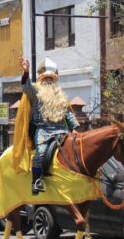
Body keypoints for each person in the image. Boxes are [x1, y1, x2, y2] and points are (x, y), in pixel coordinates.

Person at [17, 56, 79, 194]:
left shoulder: (60, 95)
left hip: (62, 130)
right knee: (40, 153)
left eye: (51, 78)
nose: (49, 81)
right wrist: (26, 72)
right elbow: (26, 87)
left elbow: (67, 113)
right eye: (46, 78)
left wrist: (74, 128)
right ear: (41, 79)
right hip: (44, 131)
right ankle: (36, 181)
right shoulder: (36, 92)